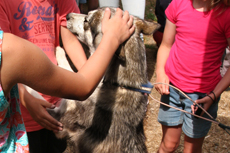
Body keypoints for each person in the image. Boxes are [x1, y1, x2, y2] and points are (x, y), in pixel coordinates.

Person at [0, 8, 134, 152]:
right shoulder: (9, 49)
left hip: (55, 103)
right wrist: (112, 37)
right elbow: (83, 85)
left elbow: (70, 39)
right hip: (26, 118)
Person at [0, 0, 88, 152]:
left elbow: (71, 42)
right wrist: (26, 98)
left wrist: (86, 78)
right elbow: (6, 57)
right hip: (23, 114)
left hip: (58, 105)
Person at [154, 0, 230, 152]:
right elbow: (166, 45)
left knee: (191, 150)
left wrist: (214, 95)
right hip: (172, 89)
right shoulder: (178, 4)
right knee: (168, 145)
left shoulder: (226, 14)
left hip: (203, 96)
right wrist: (160, 72)